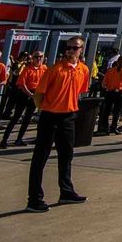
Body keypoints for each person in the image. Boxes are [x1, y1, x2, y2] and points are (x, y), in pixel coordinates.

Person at [26, 35, 91, 212]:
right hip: (50, 116)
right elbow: (39, 94)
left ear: (81, 50)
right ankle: (34, 198)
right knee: (40, 157)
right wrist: (44, 109)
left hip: (69, 116)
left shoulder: (83, 70)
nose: (70, 51)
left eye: (74, 48)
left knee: (66, 155)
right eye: (68, 47)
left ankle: (66, 191)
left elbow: (80, 91)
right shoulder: (54, 69)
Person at [1, 51, 47, 148]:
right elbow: (21, 84)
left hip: (35, 94)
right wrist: (29, 93)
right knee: (16, 117)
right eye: (36, 57)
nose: (39, 59)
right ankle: (4, 140)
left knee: (27, 118)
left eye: (41, 57)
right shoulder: (27, 69)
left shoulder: (44, 68)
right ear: (32, 59)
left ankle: (19, 139)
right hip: (25, 94)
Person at [97, 56, 122, 136]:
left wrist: (107, 86)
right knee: (117, 111)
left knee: (107, 110)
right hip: (119, 91)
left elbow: (103, 84)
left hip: (110, 92)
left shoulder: (110, 71)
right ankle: (113, 127)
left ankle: (105, 127)